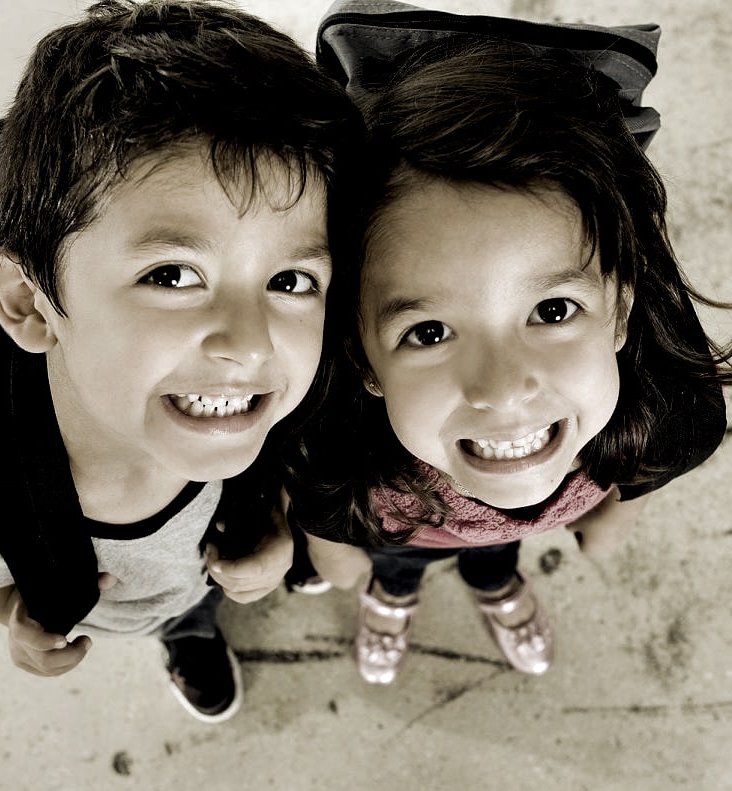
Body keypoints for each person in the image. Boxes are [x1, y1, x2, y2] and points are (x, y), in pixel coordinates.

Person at [0, 0, 360, 721]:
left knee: (195, 608)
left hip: (199, 575)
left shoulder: (275, 392)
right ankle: (177, 635)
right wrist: (12, 616)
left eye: (290, 281)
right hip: (108, 605)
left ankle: (192, 628)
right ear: (30, 303)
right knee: (163, 617)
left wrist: (278, 536)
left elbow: (286, 460)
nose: (250, 344)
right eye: (172, 275)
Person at [289, 39, 730, 685]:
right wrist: (339, 559)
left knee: (496, 551)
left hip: (510, 534)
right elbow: (323, 509)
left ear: (620, 311)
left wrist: (616, 516)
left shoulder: (669, 414)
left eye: (552, 311)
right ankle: (393, 596)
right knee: (397, 565)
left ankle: (495, 583)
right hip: (402, 536)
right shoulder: (335, 443)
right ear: (363, 361)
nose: (501, 392)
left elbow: (652, 472)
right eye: (429, 332)